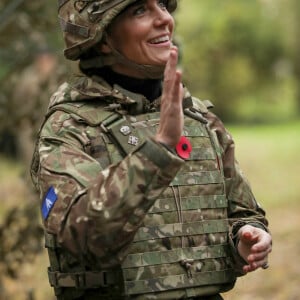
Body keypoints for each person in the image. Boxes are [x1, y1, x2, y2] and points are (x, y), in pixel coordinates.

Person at [31, 0, 272, 299]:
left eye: (162, 4)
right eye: (140, 11)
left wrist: (246, 238)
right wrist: (158, 152)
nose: (164, 19)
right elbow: (84, 238)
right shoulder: (69, 128)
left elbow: (242, 213)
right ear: (102, 38)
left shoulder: (196, 117)